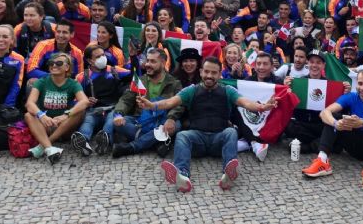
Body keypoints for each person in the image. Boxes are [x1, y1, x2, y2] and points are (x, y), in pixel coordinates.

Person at [140, 57, 278, 192]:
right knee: (182, 135)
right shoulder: (191, 90)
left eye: (213, 73)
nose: (209, 76)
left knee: (231, 132)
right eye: (206, 72)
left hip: (219, 141)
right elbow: (170, 102)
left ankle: (228, 174)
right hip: (197, 141)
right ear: (201, 72)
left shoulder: (228, 90)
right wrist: (151, 105)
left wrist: (262, 107)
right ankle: (182, 175)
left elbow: (246, 103)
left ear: (219, 74)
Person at [302, 69, 363, 194]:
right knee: (335, 117)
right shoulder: (351, 97)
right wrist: (336, 124)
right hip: (356, 147)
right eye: (360, 83)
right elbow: (324, 113)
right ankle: (322, 160)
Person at [108, 47, 183, 158]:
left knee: (176, 125)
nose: (147, 64)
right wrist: (119, 114)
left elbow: (179, 105)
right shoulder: (139, 81)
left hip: (162, 121)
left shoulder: (174, 83)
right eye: (147, 60)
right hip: (140, 121)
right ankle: (157, 142)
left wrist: (171, 118)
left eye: (152, 61)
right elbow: (125, 100)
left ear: (163, 63)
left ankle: (132, 147)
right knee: (117, 122)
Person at [24, 52, 90, 164]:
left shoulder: (72, 83)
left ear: (67, 67)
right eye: (51, 63)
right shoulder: (42, 81)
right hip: (45, 125)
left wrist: (66, 115)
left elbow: (84, 101)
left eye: (58, 63)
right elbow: (29, 103)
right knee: (28, 115)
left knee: (80, 111)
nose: (54, 65)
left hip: (64, 126)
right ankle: (50, 149)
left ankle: (44, 146)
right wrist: (42, 115)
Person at [71, 45, 131, 156]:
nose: (102, 58)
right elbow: (76, 99)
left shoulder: (114, 70)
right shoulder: (82, 76)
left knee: (110, 121)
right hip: (93, 109)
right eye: (98, 56)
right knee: (88, 121)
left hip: (113, 107)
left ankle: (104, 139)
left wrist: (134, 57)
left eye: (103, 55)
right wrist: (86, 100)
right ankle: (82, 140)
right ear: (90, 60)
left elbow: (132, 75)